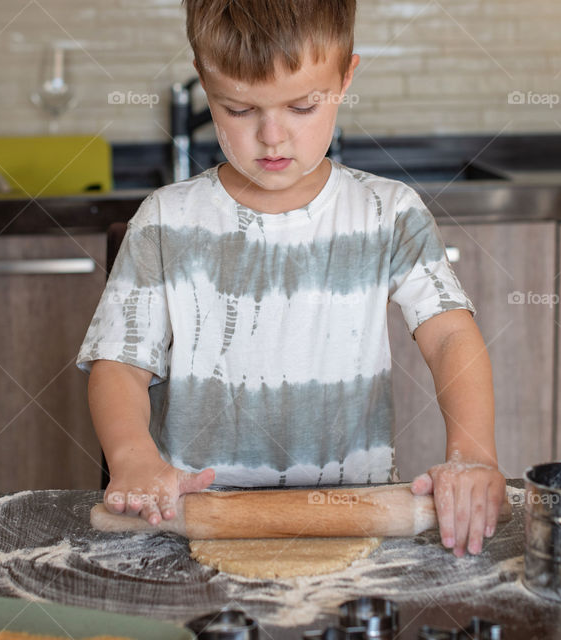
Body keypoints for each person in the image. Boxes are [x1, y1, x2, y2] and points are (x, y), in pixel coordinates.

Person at [77, 0, 506, 557]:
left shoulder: (388, 212)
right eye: (238, 109)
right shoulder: (166, 221)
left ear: (346, 77)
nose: (272, 137)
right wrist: (133, 456)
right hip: (195, 523)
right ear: (205, 84)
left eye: (303, 106)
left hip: (356, 519)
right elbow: (120, 364)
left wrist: (473, 453)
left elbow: (450, 336)